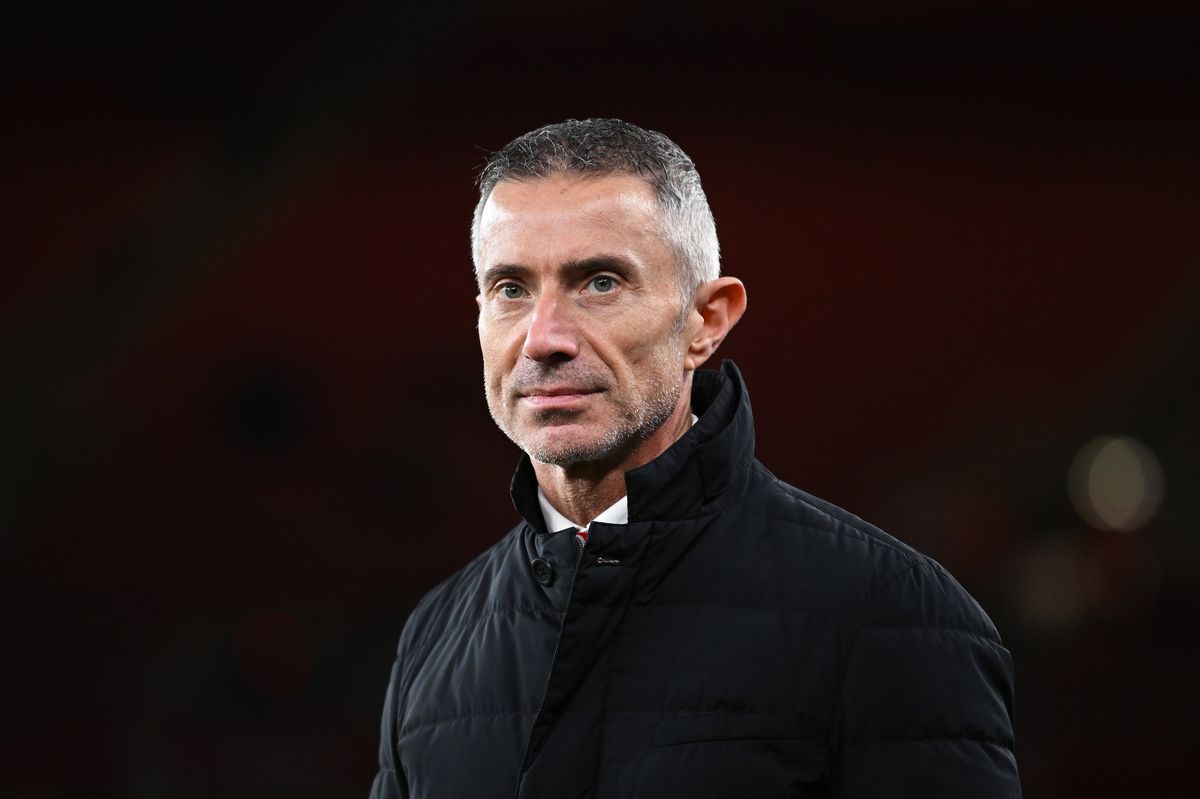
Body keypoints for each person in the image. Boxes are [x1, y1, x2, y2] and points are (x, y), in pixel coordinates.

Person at [370, 118, 1020, 798]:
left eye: (599, 282)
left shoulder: (894, 618)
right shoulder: (434, 637)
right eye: (511, 289)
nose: (544, 338)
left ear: (706, 320)